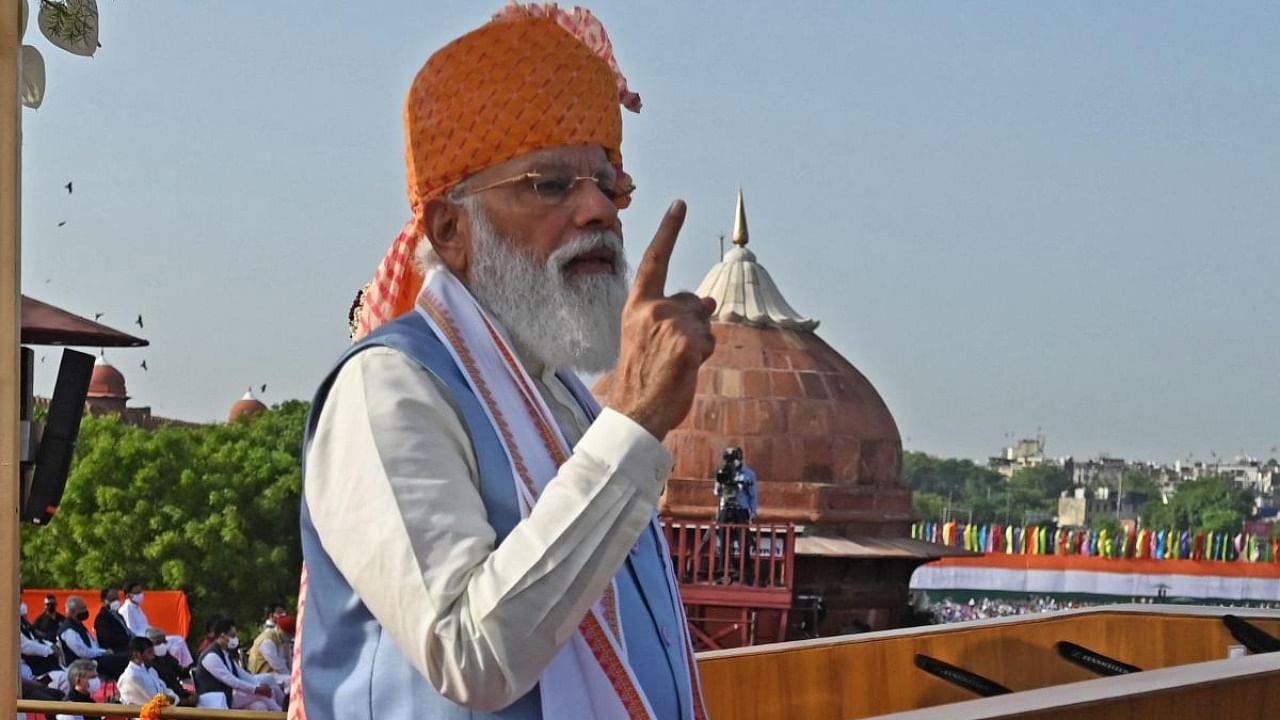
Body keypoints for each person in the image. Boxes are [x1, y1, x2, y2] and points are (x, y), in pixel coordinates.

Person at [293, 5, 712, 719]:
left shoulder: (567, 401)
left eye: (608, 184)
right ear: (451, 229)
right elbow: (469, 657)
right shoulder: (389, 387)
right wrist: (635, 420)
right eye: (551, 184)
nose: (599, 212)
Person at [194, 619, 281, 711]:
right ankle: (283, 715)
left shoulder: (225, 652)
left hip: (229, 695)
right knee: (263, 696)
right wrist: (256, 689)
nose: (235, 639)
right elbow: (231, 681)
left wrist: (259, 686)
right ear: (222, 636)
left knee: (259, 706)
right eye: (232, 635)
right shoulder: (211, 656)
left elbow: (242, 675)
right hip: (216, 699)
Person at [58, 596, 128, 680]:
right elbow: (83, 652)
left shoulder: (79, 626)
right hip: (82, 665)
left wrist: (105, 652)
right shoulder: (68, 631)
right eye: (82, 608)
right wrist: (103, 653)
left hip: (93, 658)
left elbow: (93, 646)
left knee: (125, 653)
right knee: (123, 660)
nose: (85, 611)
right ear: (73, 612)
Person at [117, 637, 180, 706]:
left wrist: (172, 698)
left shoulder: (151, 671)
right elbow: (152, 702)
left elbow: (167, 691)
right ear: (136, 655)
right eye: (149, 653)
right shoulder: (131, 677)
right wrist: (168, 699)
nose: (153, 657)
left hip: (163, 712)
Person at [144, 627, 194, 706]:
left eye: (164, 641)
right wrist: (184, 701)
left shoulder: (166, 656)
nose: (162, 645)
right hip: (172, 702)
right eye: (158, 643)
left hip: (181, 694)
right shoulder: (149, 665)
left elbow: (181, 671)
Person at [248, 614, 292, 679]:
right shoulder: (267, 640)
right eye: (289, 634)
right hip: (260, 676)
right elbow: (277, 665)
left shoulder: (281, 639)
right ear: (280, 629)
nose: (290, 637)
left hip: (273, 674)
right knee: (289, 681)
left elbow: (287, 662)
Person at [93, 588, 131, 654]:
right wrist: (127, 640)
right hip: (115, 651)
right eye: (112, 599)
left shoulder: (118, 616)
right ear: (104, 600)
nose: (116, 601)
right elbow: (107, 639)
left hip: (126, 647)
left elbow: (126, 631)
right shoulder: (102, 618)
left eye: (117, 599)